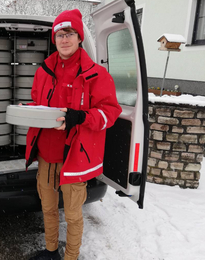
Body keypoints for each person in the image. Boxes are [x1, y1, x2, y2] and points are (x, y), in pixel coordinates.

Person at [25, 9, 122, 260]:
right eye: (60, 34)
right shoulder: (43, 71)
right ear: (54, 39)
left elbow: (109, 112)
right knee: (47, 208)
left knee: (72, 214)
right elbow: (39, 104)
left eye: (69, 33)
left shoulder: (97, 75)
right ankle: (50, 251)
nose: (64, 39)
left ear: (79, 37)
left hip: (75, 158)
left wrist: (81, 117)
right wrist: (28, 113)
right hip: (46, 154)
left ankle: (70, 257)